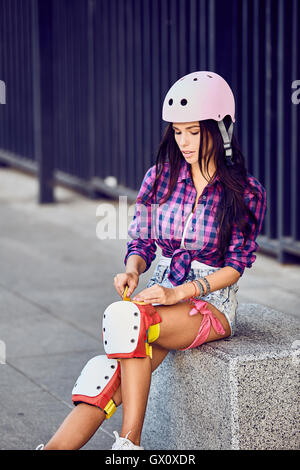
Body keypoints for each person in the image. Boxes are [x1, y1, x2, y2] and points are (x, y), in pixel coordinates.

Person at [36, 71, 267, 451]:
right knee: (104, 377)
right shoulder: (160, 177)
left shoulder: (245, 192)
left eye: (194, 131)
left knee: (127, 321)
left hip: (211, 303)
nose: (184, 142)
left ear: (221, 129)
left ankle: (129, 443)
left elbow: (236, 265)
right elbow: (142, 240)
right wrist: (132, 269)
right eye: (178, 132)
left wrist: (181, 293)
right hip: (162, 295)